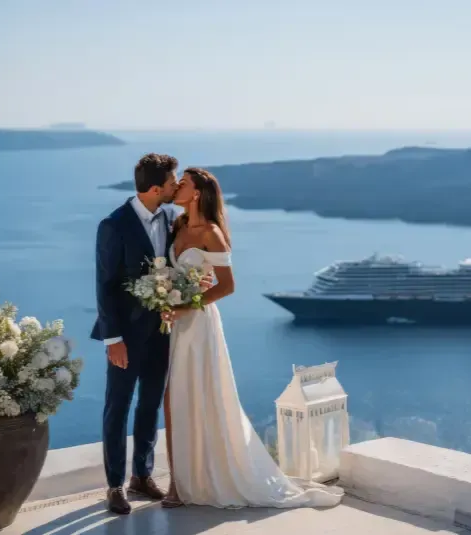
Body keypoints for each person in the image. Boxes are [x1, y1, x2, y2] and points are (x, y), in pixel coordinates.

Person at [160, 168, 344, 509]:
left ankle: (194, 481)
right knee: (173, 401)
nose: (178, 186)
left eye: (183, 182)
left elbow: (227, 286)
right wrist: (163, 294)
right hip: (174, 323)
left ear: (197, 192)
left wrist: (187, 305)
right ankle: (177, 482)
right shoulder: (178, 225)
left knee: (199, 395)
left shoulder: (212, 233)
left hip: (198, 325)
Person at [90, 153, 180, 515]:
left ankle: (142, 475)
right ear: (156, 188)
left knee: (150, 404)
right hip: (125, 336)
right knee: (118, 407)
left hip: (162, 331)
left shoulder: (172, 217)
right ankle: (114, 485)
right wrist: (113, 340)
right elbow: (105, 285)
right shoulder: (113, 225)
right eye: (172, 183)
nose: (176, 187)